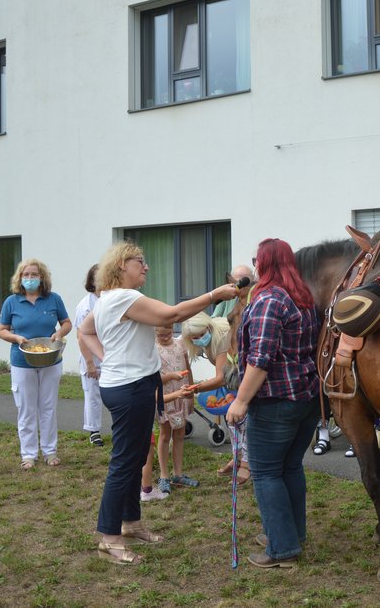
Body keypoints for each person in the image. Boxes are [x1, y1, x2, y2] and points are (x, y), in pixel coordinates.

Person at [78, 241, 237, 565]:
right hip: (130, 388)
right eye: (140, 261)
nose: (146, 267)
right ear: (122, 266)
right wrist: (213, 296)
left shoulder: (107, 298)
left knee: (137, 455)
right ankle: (109, 538)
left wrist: (107, 359)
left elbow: (85, 330)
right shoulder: (123, 297)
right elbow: (173, 314)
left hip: (131, 384)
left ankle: (131, 524)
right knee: (124, 462)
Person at [226, 238, 321, 569]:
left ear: (263, 264)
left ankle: (282, 550)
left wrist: (240, 400)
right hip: (306, 399)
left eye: (256, 259)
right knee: (289, 467)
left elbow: (261, 359)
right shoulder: (304, 298)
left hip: (276, 403)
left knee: (266, 473)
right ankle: (290, 534)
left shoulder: (268, 300)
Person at [0, 258, 72, 470]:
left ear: (42, 278)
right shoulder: (11, 301)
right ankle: (29, 454)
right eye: (26, 275)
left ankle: (50, 451)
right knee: (26, 409)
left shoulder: (53, 299)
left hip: (51, 358)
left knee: (48, 407)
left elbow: (67, 323)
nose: (30, 278)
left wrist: (59, 333)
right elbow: (1, 330)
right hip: (22, 361)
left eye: (34, 274)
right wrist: (17, 338)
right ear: (20, 278)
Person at [181, 312, 250, 483]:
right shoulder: (206, 340)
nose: (198, 339)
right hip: (234, 382)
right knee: (233, 421)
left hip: (245, 382)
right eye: (194, 337)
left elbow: (220, 379)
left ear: (208, 327)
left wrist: (195, 388)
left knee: (244, 424)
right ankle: (238, 456)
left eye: (201, 334)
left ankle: (247, 464)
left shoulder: (223, 338)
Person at [154, 324, 199, 492]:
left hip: (183, 394)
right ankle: (164, 475)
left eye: (168, 333)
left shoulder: (180, 344)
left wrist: (192, 390)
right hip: (165, 397)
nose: (165, 337)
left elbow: (188, 368)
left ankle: (178, 473)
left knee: (180, 433)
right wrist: (171, 376)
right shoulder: (153, 349)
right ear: (155, 333)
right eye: (161, 335)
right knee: (165, 435)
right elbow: (153, 379)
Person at [74, 264, 104, 446]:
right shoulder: (85, 305)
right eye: (98, 278)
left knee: (115, 395)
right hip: (92, 359)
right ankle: (94, 431)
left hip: (110, 358)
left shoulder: (111, 299)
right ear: (92, 281)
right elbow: (81, 336)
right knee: (93, 396)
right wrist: (89, 364)